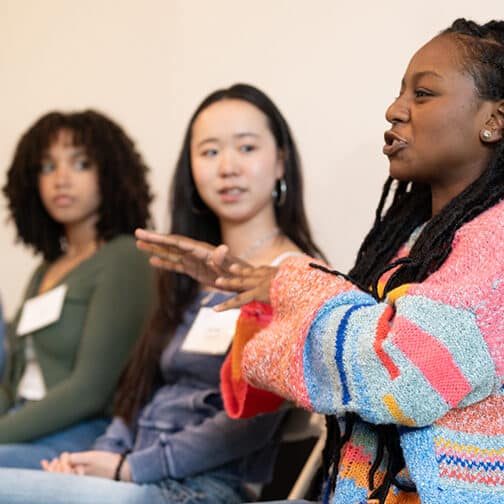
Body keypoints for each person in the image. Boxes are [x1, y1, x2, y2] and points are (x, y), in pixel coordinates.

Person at [134, 19, 504, 504]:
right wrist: (256, 292)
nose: (395, 110)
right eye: (400, 93)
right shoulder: (411, 243)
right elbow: (325, 363)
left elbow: (397, 374)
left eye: (424, 94)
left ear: (494, 120)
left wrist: (285, 284)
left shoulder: (496, 242)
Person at [0, 84, 324, 503]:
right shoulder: (186, 276)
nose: (227, 167)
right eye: (209, 152)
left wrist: (129, 468)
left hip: (199, 487)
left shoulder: (297, 275)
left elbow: (248, 424)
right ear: (190, 170)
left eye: (246, 148)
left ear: (281, 162)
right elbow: (137, 393)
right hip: (133, 474)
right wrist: (103, 456)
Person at [0, 110, 156, 467]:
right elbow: (13, 382)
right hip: (22, 425)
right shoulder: (45, 270)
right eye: (47, 167)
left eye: (81, 164)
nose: (61, 179)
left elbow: (90, 391)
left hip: (79, 436)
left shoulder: (125, 258)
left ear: (111, 174)